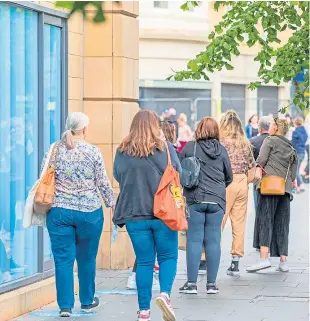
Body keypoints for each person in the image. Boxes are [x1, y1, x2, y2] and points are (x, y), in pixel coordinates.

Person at [113, 110, 182, 321]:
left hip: (134, 213)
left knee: (144, 261)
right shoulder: (166, 149)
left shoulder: (122, 151)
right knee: (168, 256)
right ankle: (165, 295)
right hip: (164, 213)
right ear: (155, 126)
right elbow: (178, 173)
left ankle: (144, 311)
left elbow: (118, 175)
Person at [45, 112, 114, 317]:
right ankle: (86, 300)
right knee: (86, 258)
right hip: (89, 213)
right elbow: (102, 181)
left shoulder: (54, 150)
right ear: (84, 129)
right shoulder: (92, 151)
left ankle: (65, 306)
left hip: (59, 212)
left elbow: (44, 176)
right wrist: (112, 203)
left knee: (63, 260)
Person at [178, 117, 232, 295]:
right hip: (217, 200)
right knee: (214, 240)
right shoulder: (222, 150)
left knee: (194, 240)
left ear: (199, 129)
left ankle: (192, 284)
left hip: (195, 199)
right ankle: (211, 284)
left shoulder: (189, 147)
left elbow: (180, 171)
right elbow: (229, 176)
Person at [246, 117, 298, 273]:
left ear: (275, 128)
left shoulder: (270, 140)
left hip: (268, 187)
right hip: (284, 189)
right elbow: (294, 175)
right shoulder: (291, 147)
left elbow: (261, 160)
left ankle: (263, 259)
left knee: (265, 219)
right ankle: (283, 262)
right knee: (282, 223)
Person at [220, 110, 256, 276]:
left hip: (224, 182)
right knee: (239, 223)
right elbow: (252, 167)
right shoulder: (245, 142)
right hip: (242, 182)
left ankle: (205, 259)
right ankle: (235, 261)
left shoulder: (221, 142)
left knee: (218, 221)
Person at [250, 116, 271, 212]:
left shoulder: (253, 141)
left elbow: (250, 161)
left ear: (260, 128)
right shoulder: (276, 141)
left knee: (258, 207)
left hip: (258, 177)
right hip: (273, 177)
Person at [292, 117, 308, 192]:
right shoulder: (304, 131)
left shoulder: (295, 132)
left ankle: (301, 184)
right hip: (303, 152)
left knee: (296, 170)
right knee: (297, 169)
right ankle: (298, 185)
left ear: (295, 123)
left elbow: (293, 143)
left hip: (297, 152)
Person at [301, 114, 310, 183]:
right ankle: (304, 173)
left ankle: (306, 175)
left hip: (307, 144)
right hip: (308, 144)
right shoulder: (307, 125)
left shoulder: (305, 125)